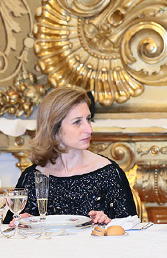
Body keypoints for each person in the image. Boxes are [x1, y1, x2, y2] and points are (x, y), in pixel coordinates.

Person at [4, 86, 137, 225]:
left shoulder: (109, 173)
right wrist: (24, 223)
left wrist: (109, 223)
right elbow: (9, 229)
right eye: (77, 122)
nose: (89, 129)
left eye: (88, 119)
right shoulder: (32, 177)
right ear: (54, 129)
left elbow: (132, 231)